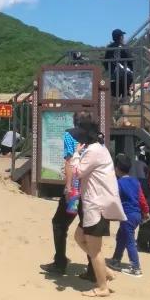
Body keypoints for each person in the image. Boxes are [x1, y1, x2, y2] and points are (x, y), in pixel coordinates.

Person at [73, 117, 126, 297]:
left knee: (95, 250)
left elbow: (77, 172)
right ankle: (105, 272)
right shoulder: (98, 148)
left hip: (97, 206)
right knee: (79, 236)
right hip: (96, 204)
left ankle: (103, 287)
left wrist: (75, 154)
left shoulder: (93, 151)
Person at [45, 110, 93, 276]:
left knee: (59, 223)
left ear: (74, 123)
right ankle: (94, 268)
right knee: (88, 227)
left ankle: (60, 262)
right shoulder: (95, 138)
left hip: (75, 189)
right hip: (91, 190)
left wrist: (68, 186)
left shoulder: (69, 136)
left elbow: (69, 162)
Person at [107, 152, 147, 277]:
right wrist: (146, 211)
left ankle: (135, 267)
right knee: (121, 236)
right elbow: (141, 198)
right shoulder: (135, 181)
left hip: (127, 216)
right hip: (137, 215)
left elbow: (114, 199)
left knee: (129, 241)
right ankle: (116, 259)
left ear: (117, 169)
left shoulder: (118, 183)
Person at [103, 29, 134, 99]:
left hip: (114, 76)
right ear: (120, 37)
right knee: (125, 97)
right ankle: (123, 107)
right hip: (125, 75)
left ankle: (114, 109)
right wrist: (132, 72)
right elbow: (130, 61)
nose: (123, 37)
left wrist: (109, 71)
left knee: (114, 97)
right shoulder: (124, 47)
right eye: (122, 36)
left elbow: (105, 62)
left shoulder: (109, 48)